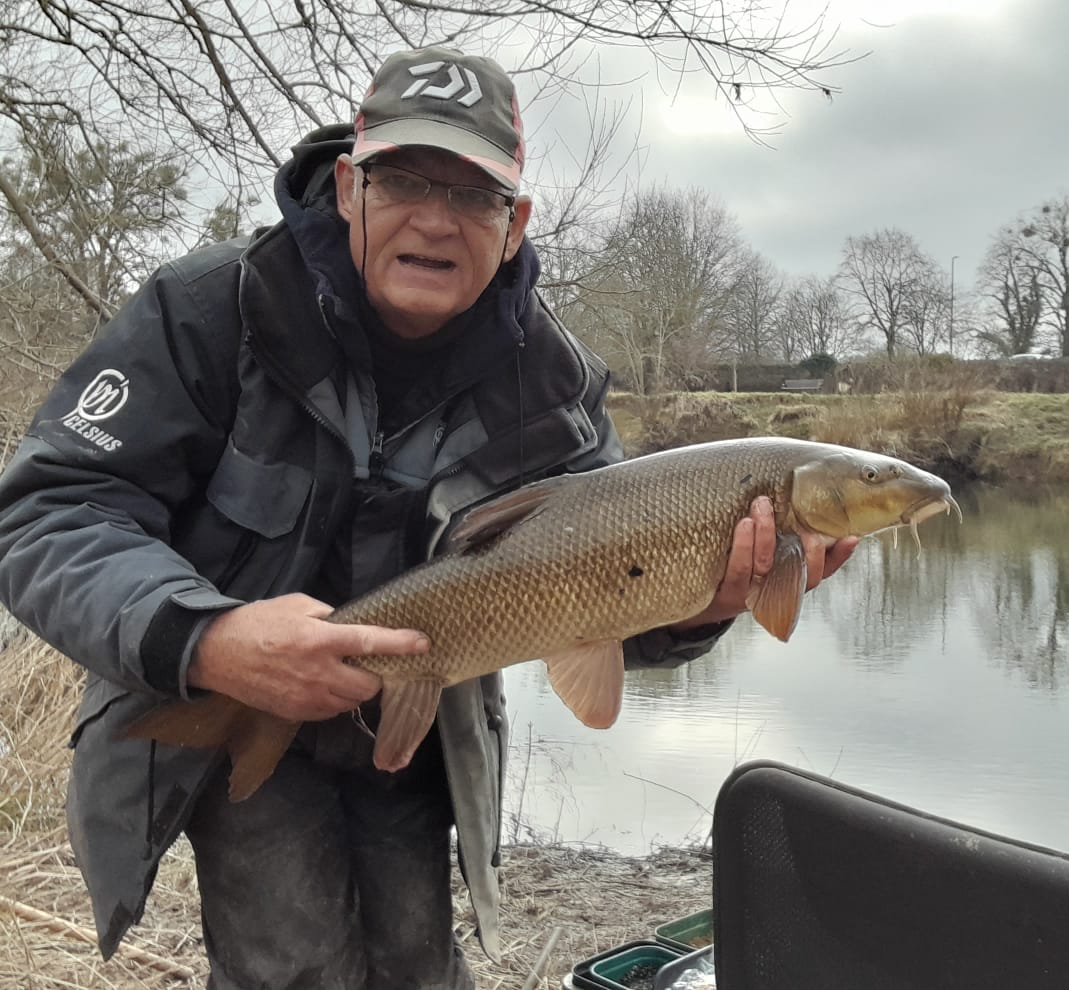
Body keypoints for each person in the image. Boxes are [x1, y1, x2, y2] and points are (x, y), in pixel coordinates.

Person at [0, 46, 857, 989]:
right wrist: (206, 639)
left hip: (420, 727)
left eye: (475, 195)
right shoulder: (210, 313)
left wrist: (706, 601)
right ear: (346, 187)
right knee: (289, 967)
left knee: (419, 966)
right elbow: (49, 513)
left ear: (515, 222)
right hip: (233, 693)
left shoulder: (552, 386)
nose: (436, 220)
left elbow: (614, 608)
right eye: (405, 179)